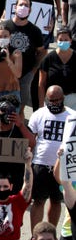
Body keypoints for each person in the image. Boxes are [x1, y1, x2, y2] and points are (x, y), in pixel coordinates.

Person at [29, 85, 76, 229]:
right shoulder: (38, 114)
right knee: (38, 201)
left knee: (56, 201)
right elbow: (31, 138)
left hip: (62, 166)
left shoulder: (72, 116)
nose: (53, 104)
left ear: (62, 99)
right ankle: (35, 238)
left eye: (56, 100)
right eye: (50, 100)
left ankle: (51, 235)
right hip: (40, 163)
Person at [39, 28, 76, 108]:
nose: (63, 42)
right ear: (57, 41)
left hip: (73, 101)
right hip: (53, 100)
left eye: (66, 40)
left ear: (71, 41)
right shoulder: (48, 58)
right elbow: (41, 84)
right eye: (60, 39)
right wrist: (41, 105)